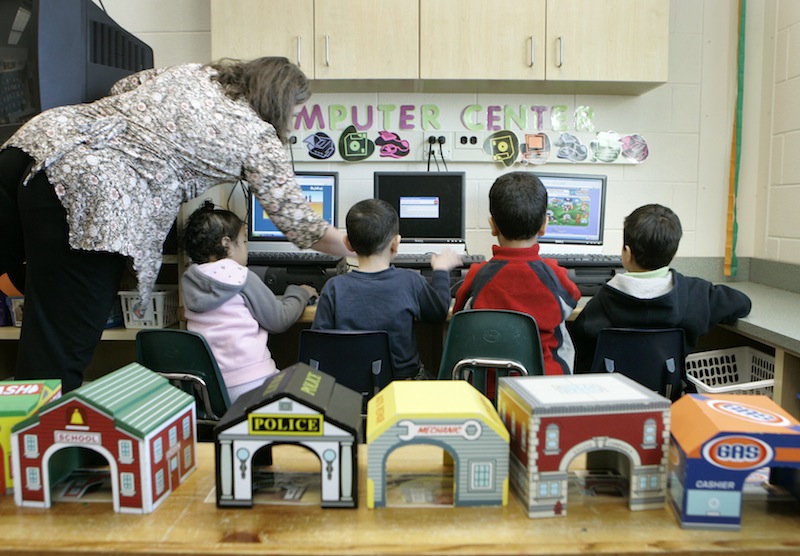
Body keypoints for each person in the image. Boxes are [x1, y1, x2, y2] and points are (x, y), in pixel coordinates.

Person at [0, 56, 350, 392]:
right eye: (293, 111)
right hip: (89, 193)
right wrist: (357, 244)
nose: (291, 120)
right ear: (279, 100)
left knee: (37, 313)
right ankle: (35, 448)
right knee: (57, 349)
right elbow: (300, 223)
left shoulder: (195, 73)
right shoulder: (257, 135)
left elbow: (125, 85)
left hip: (34, 144)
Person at [570, 203, 752, 374]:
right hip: (667, 398)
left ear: (627, 253)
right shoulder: (697, 294)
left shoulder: (600, 304)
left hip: (609, 402)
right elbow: (743, 304)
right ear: (673, 254)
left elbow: (577, 348)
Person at [181, 202, 316, 403]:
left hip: (210, 390)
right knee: (313, 388)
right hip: (254, 384)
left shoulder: (191, 280)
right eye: (244, 242)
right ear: (226, 243)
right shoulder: (240, 276)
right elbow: (278, 320)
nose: (246, 248)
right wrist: (300, 293)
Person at [312, 198, 462, 379]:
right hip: (403, 387)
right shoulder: (410, 281)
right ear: (395, 243)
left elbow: (319, 343)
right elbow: (439, 311)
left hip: (351, 388)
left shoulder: (333, 288)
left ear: (347, 243)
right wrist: (440, 270)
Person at [453, 171, 581, 375]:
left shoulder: (478, 276)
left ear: (492, 226)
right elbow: (572, 299)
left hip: (489, 391)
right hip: (545, 389)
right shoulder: (554, 274)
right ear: (544, 225)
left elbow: (459, 315)